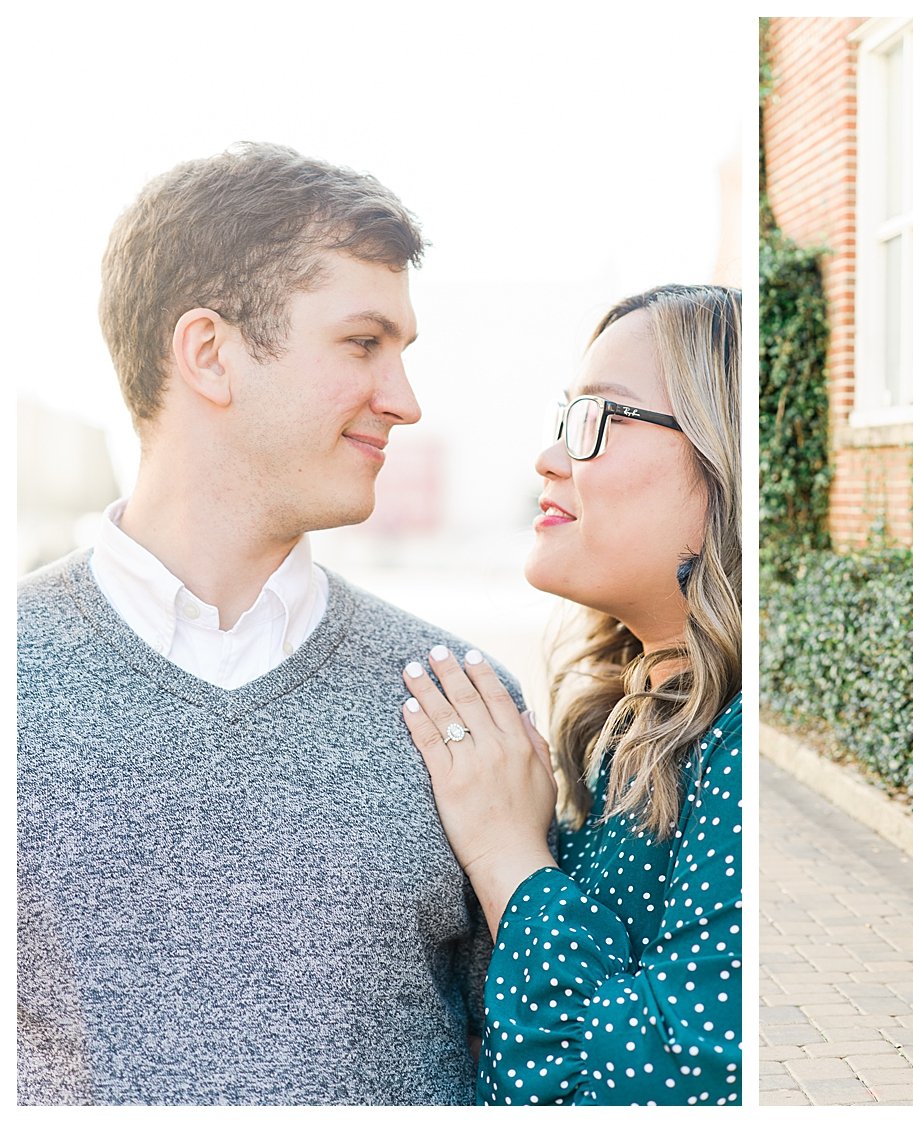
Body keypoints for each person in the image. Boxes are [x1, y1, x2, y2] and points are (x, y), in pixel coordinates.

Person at [16, 143, 520, 1104]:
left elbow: (536, 1062)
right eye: (364, 344)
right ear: (209, 353)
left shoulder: (468, 709)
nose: (404, 401)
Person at [399, 284, 743, 1106]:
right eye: (564, 418)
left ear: (726, 460)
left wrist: (507, 853)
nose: (550, 457)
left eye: (596, 419)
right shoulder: (621, 729)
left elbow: (660, 1080)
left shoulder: (736, 748)